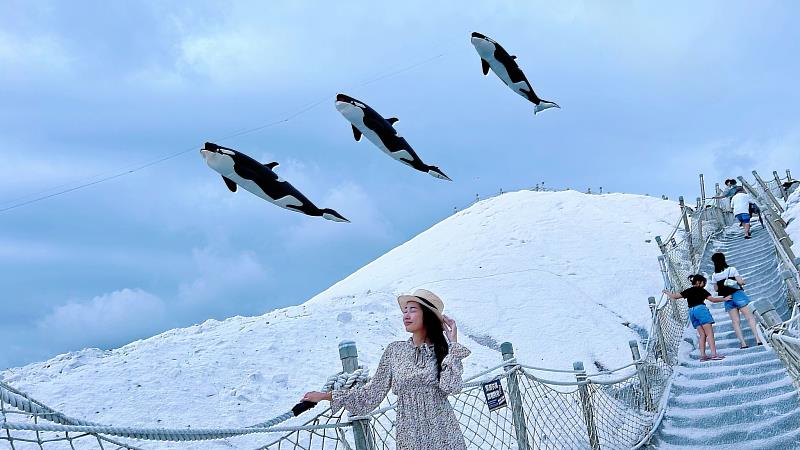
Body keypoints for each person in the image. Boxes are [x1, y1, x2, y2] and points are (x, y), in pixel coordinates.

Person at [302, 289, 471, 450]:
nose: (406, 315)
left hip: (444, 431)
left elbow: (452, 387)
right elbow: (371, 394)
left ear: (427, 316)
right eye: (405, 311)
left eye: (412, 310)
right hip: (410, 434)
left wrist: (453, 344)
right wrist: (326, 396)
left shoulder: (444, 351)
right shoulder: (395, 351)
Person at [663, 274, 730, 361]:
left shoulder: (688, 290)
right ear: (699, 282)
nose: (704, 284)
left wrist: (666, 292)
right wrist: (725, 299)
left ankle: (703, 356)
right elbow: (712, 300)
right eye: (703, 283)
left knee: (702, 335)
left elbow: (674, 296)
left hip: (691, 312)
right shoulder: (702, 291)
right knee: (709, 333)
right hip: (701, 310)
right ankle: (714, 354)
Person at [710, 252, 763, 348]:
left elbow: (716, 289)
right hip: (738, 295)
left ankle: (743, 344)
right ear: (724, 259)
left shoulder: (714, 275)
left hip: (727, 298)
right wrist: (742, 282)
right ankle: (758, 339)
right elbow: (741, 282)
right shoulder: (731, 269)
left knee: (735, 322)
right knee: (750, 317)